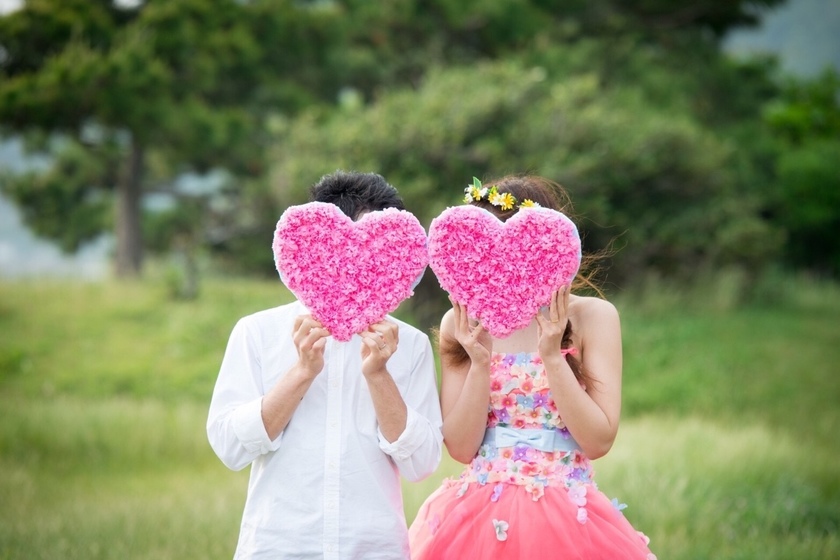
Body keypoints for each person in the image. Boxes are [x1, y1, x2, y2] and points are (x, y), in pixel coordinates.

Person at [408, 175, 656, 559]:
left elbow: (598, 440)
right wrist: (479, 363)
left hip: (567, 517)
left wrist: (553, 356)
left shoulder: (594, 316)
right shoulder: (459, 322)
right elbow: (459, 447)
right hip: (475, 518)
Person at [207, 170, 443, 560]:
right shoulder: (258, 332)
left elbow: (421, 463)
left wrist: (379, 375)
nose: (358, 269)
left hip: (374, 548)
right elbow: (230, 446)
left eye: (378, 256)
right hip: (278, 545)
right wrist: (301, 371)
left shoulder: (410, 345)